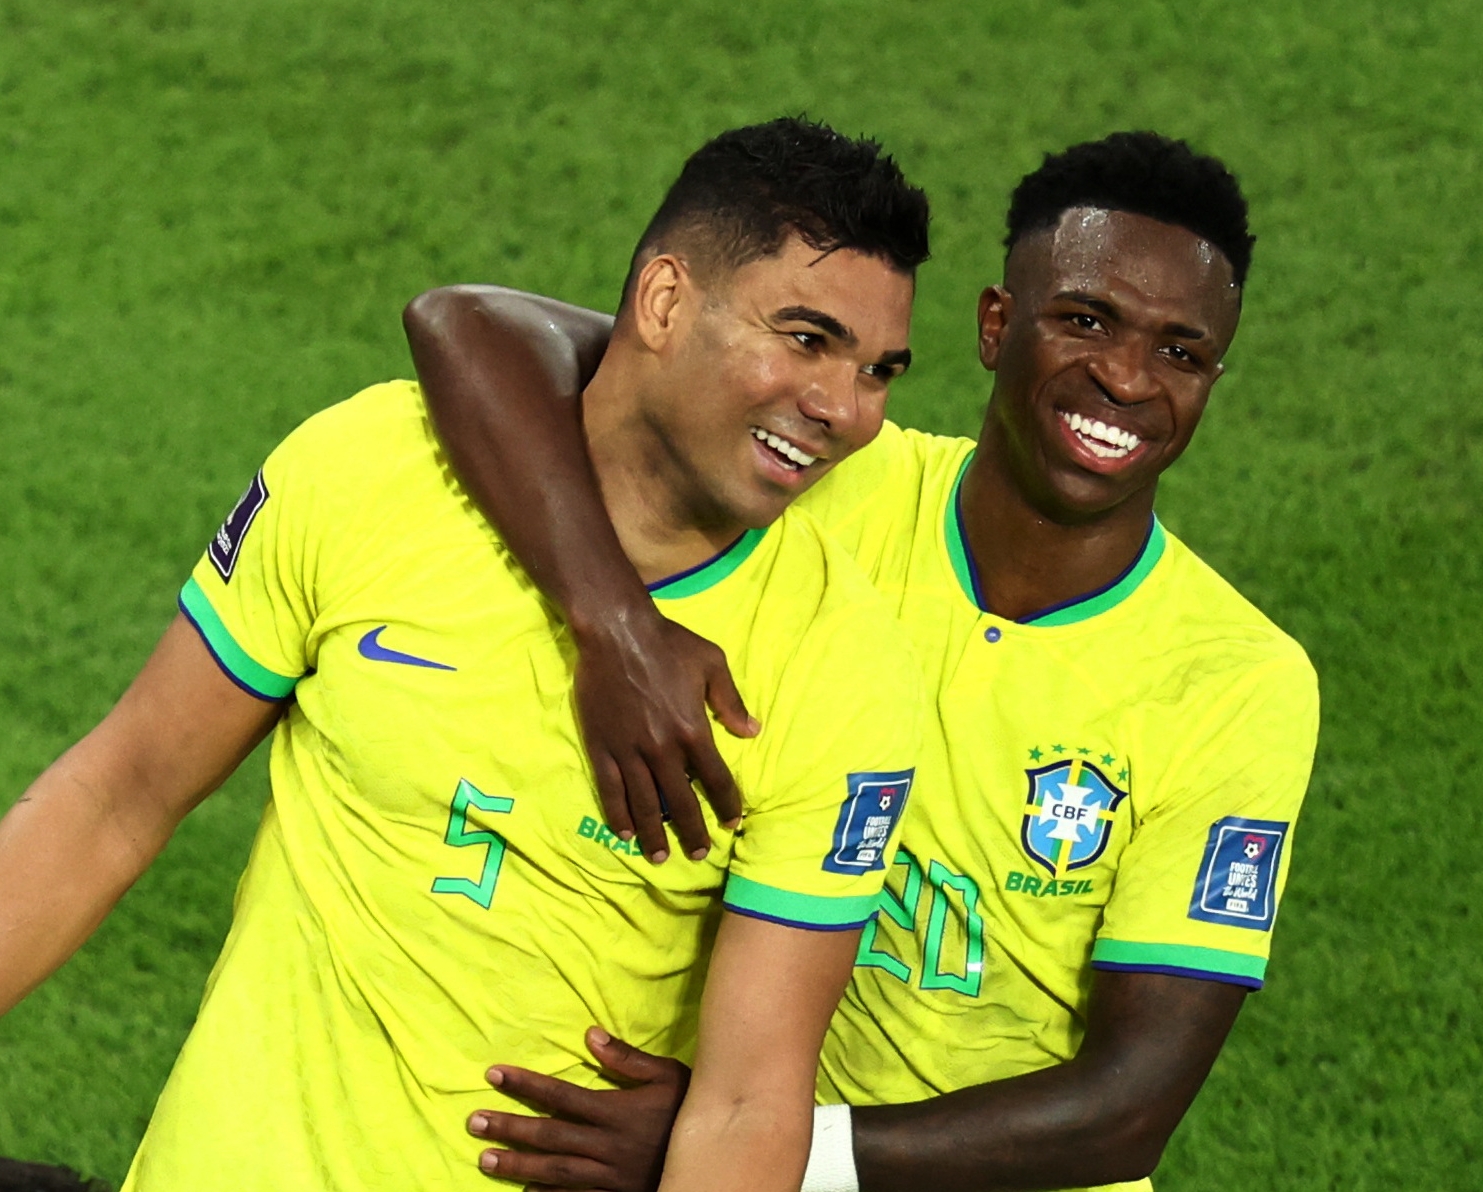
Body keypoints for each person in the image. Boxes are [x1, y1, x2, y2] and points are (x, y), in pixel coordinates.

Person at [0, 118, 932, 1192]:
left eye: (878, 371)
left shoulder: (838, 669)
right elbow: (119, 792)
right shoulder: (369, 471)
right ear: (666, 301)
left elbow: (745, 1102)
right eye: (806, 338)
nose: (843, 409)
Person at [402, 131, 1320, 1192]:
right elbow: (468, 324)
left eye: (1179, 353)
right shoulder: (830, 466)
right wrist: (613, 623)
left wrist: (766, 1152)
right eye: (1084, 320)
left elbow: (1125, 1108)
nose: (1123, 377)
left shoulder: (1235, 679)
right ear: (992, 324)